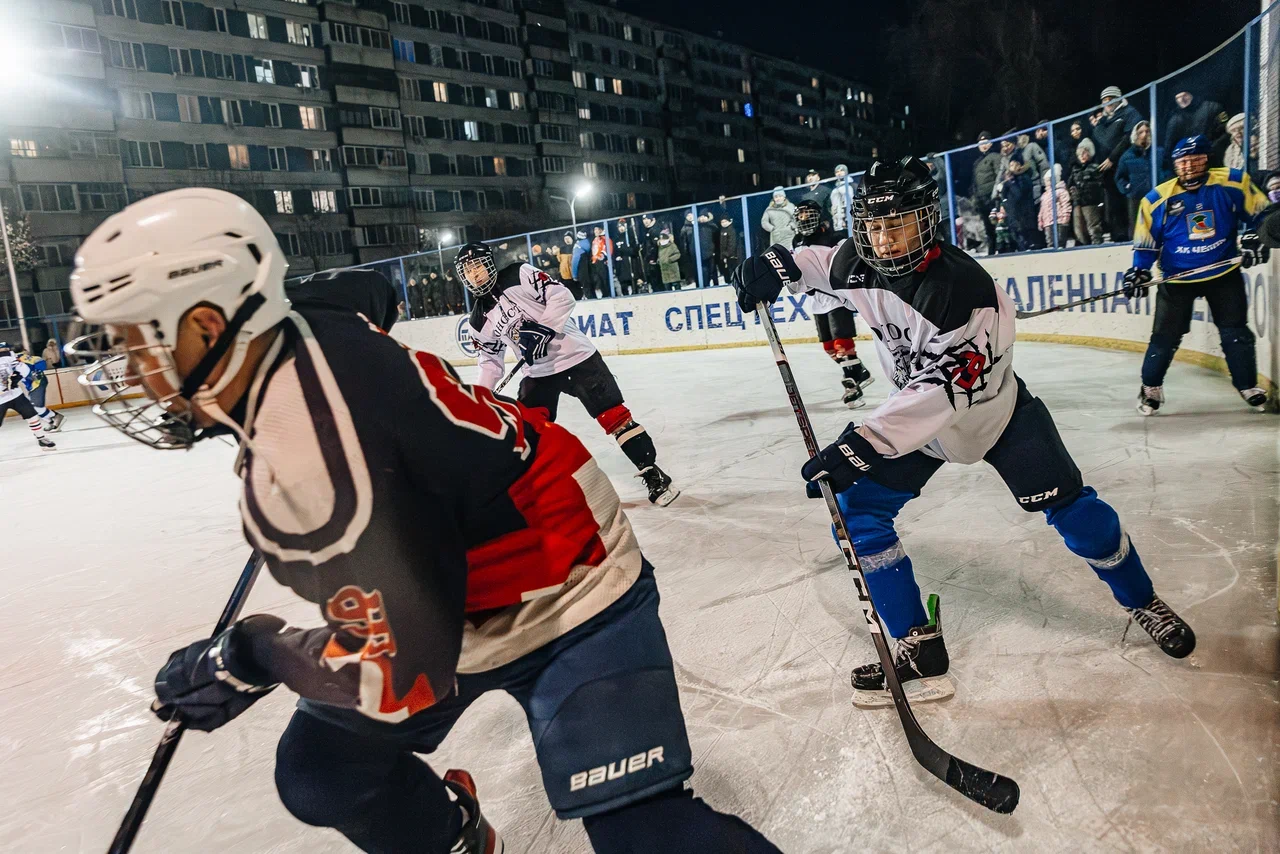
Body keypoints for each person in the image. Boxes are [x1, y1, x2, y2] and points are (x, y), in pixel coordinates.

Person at [65, 190, 777, 854]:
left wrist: (252, 657)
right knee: (324, 769)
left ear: (207, 326)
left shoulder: (313, 468)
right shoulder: (298, 328)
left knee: (646, 832)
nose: (132, 372)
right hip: (452, 571)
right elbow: (371, 290)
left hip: (567, 585)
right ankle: (454, 838)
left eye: (136, 346)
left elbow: (404, 667)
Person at [731, 157, 1196, 708]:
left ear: (927, 218)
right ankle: (916, 644)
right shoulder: (858, 260)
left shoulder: (964, 289)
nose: (883, 238)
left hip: (995, 415)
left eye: (897, 223)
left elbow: (945, 389)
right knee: (855, 515)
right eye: (874, 225)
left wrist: (861, 444)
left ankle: (1142, 599)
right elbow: (815, 261)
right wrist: (773, 264)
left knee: (1077, 515)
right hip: (918, 425)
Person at [459, 241, 680, 506]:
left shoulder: (518, 274)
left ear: (489, 263)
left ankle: (652, 472)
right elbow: (490, 362)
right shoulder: (478, 321)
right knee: (529, 433)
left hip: (576, 357)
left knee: (614, 417)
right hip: (538, 373)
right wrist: (481, 397)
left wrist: (544, 328)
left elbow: (561, 295)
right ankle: (542, 494)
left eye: (477, 266)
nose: (474, 274)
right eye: (468, 271)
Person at [1126, 135, 1271, 414]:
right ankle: (1150, 388)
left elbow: (1262, 213)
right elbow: (1146, 242)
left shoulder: (1233, 182)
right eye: (1183, 161)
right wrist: (1139, 271)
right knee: (1164, 339)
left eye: (1196, 160)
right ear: (1174, 164)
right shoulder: (1156, 199)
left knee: (1235, 332)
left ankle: (1247, 385)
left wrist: (1256, 237)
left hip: (1223, 270)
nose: (1189, 166)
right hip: (1177, 278)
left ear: (1208, 160)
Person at [793, 199, 872, 408]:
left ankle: (852, 386)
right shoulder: (796, 241)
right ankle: (859, 371)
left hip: (836, 297)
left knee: (841, 343)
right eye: (800, 215)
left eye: (808, 214)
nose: (804, 219)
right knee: (829, 347)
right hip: (817, 301)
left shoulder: (833, 237)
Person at [1092, 86, 1144, 242]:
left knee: (1129, 201)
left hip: (1126, 166)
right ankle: (1118, 236)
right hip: (1108, 171)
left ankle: (1135, 236)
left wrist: (1112, 158)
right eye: (1105, 100)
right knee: (1113, 205)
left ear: (1119, 98)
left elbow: (1129, 138)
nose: (1108, 103)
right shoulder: (1103, 120)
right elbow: (1102, 140)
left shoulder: (1130, 113)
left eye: (1111, 99)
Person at [1114, 121, 1171, 228]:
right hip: (1136, 198)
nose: (1144, 135)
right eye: (1141, 132)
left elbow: (1168, 170)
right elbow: (1119, 177)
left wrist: (1164, 181)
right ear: (1135, 135)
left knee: (1160, 226)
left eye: (1147, 131)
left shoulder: (1159, 152)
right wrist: (1128, 188)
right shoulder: (1126, 156)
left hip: (1157, 196)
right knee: (1137, 229)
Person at [0, 343, 56, 450]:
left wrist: (17, 376)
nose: (5, 350)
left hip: (16, 394)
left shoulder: (11, 357)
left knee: (31, 415)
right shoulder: (10, 356)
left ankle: (41, 439)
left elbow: (24, 369)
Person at [1068, 138, 1106, 245]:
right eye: (1080, 153)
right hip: (1077, 202)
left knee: (1093, 226)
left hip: (1090, 201)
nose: (1082, 155)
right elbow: (1070, 184)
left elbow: (1100, 184)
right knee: (1078, 228)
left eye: (1085, 153)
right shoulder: (1075, 169)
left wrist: (1089, 189)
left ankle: (1096, 244)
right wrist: (1072, 191)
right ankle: (1084, 245)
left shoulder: (1094, 167)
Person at [970, 132, 1003, 254]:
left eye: (986, 142)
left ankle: (1001, 248)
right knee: (988, 228)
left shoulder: (995, 156)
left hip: (992, 198)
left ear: (991, 143)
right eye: (980, 143)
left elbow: (998, 176)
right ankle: (991, 249)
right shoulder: (977, 162)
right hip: (981, 199)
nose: (983, 145)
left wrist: (996, 194)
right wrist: (975, 196)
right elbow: (974, 182)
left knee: (997, 226)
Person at [1037, 164, 1072, 248]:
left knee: (1060, 240)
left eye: (1048, 181)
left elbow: (1065, 204)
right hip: (1047, 222)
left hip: (1059, 221)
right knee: (1050, 240)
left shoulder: (1061, 192)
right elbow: (1042, 209)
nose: (1046, 183)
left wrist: (1065, 217)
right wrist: (1040, 220)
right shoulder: (1044, 195)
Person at [715, 216, 741, 285]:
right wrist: (723, 256)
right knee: (728, 271)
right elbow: (722, 245)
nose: (723, 223)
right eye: (722, 222)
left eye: (725, 221)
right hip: (726, 256)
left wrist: (727, 254)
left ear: (729, 221)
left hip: (732, 256)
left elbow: (732, 243)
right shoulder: (722, 230)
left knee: (733, 270)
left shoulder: (731, 230)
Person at [657, 227, 683, 291]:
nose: (662, 239)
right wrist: (659, 260)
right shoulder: (660, 247)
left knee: (676, 286)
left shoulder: (672, 245)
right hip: (664, 271)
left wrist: (670, 259)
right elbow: (660, 256)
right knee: (667, 288)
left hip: (673, 270)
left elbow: (678, 254)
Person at [830, 164, 854, 233]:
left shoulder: (850, 186)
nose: (839, 173)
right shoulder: (835, 189)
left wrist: (846, 220)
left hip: (847, 223)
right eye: (837, 172)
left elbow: (849, 205)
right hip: (838, 224)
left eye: (841, 171)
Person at [696, 211, 717, 286]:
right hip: (702, 253)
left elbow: (716, 239)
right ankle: (706, 285)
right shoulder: (697, 227)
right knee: (705, 271)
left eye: (704, 216)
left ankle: (716, 284)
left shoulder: (712, 226)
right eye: (701, 217)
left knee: (713, 270)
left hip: (711, 252)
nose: (702, 218)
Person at [678, 212, 697, 287]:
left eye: (691, 214)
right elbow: (683, 242)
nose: (689, 217)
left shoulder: (699, 224)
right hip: (690, 252)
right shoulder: (684, 228)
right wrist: (686, 251)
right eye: (687, 215)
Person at [571, 230, 593, 298]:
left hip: (582, 272)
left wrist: (574, 275)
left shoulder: (578, 248)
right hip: (591, 271)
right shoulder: (590, 245)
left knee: (586, 287)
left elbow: (574, 262)